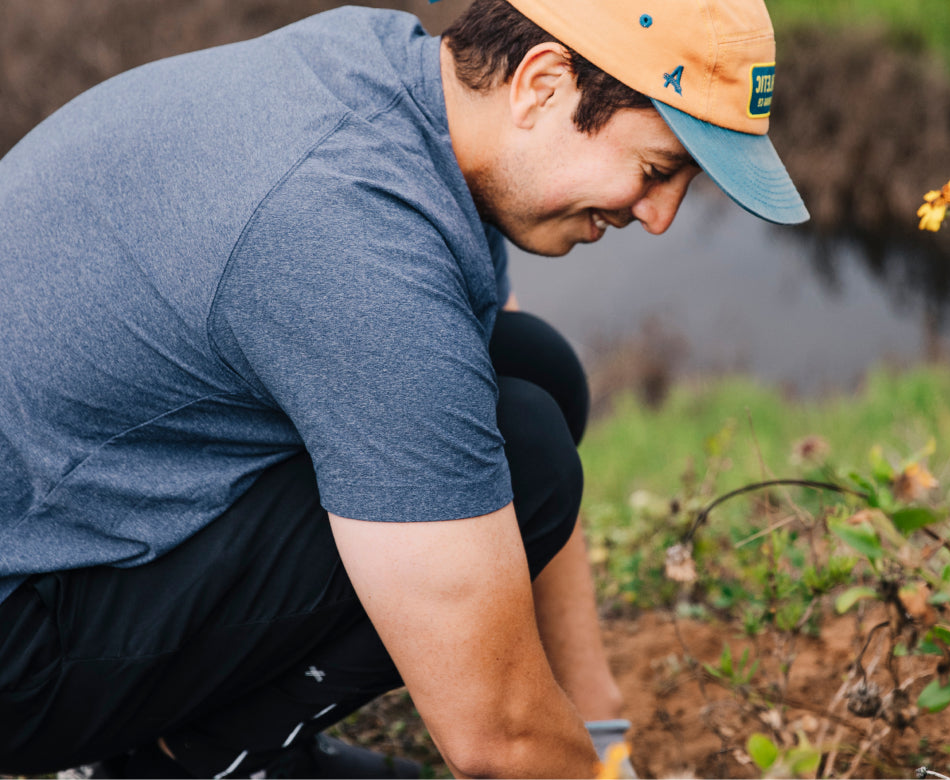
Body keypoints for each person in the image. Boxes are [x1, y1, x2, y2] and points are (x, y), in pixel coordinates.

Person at [0, 0, 807, 775]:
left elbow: (488, 357)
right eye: (656, 169)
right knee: (524, 456)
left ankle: (201, 727)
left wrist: (597, 719)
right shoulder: (352, 242)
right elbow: (495, 734)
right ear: (542, 84)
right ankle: (189, 763)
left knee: (533, 370)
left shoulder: (399, 88)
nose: (660, 216)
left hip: (53, 524)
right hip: (16, 643)